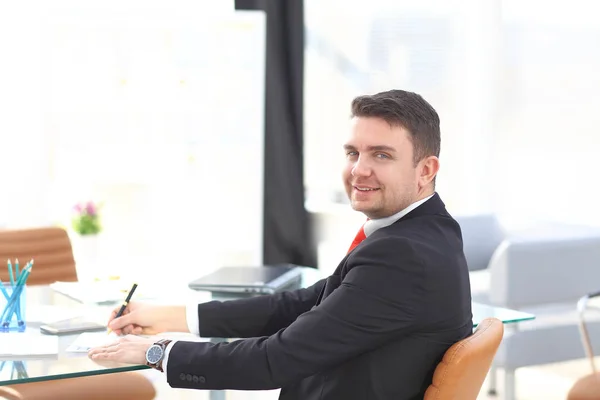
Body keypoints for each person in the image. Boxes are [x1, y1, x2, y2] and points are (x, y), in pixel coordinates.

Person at [88, 89, 473, 399]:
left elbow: (276, 360)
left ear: (426, 170)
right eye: (353, 153)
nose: (359, 169)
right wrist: (175, 317)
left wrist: (158, 352)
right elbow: (302, 305)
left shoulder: (402, 255)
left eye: (382, 155)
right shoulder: (426, 231)